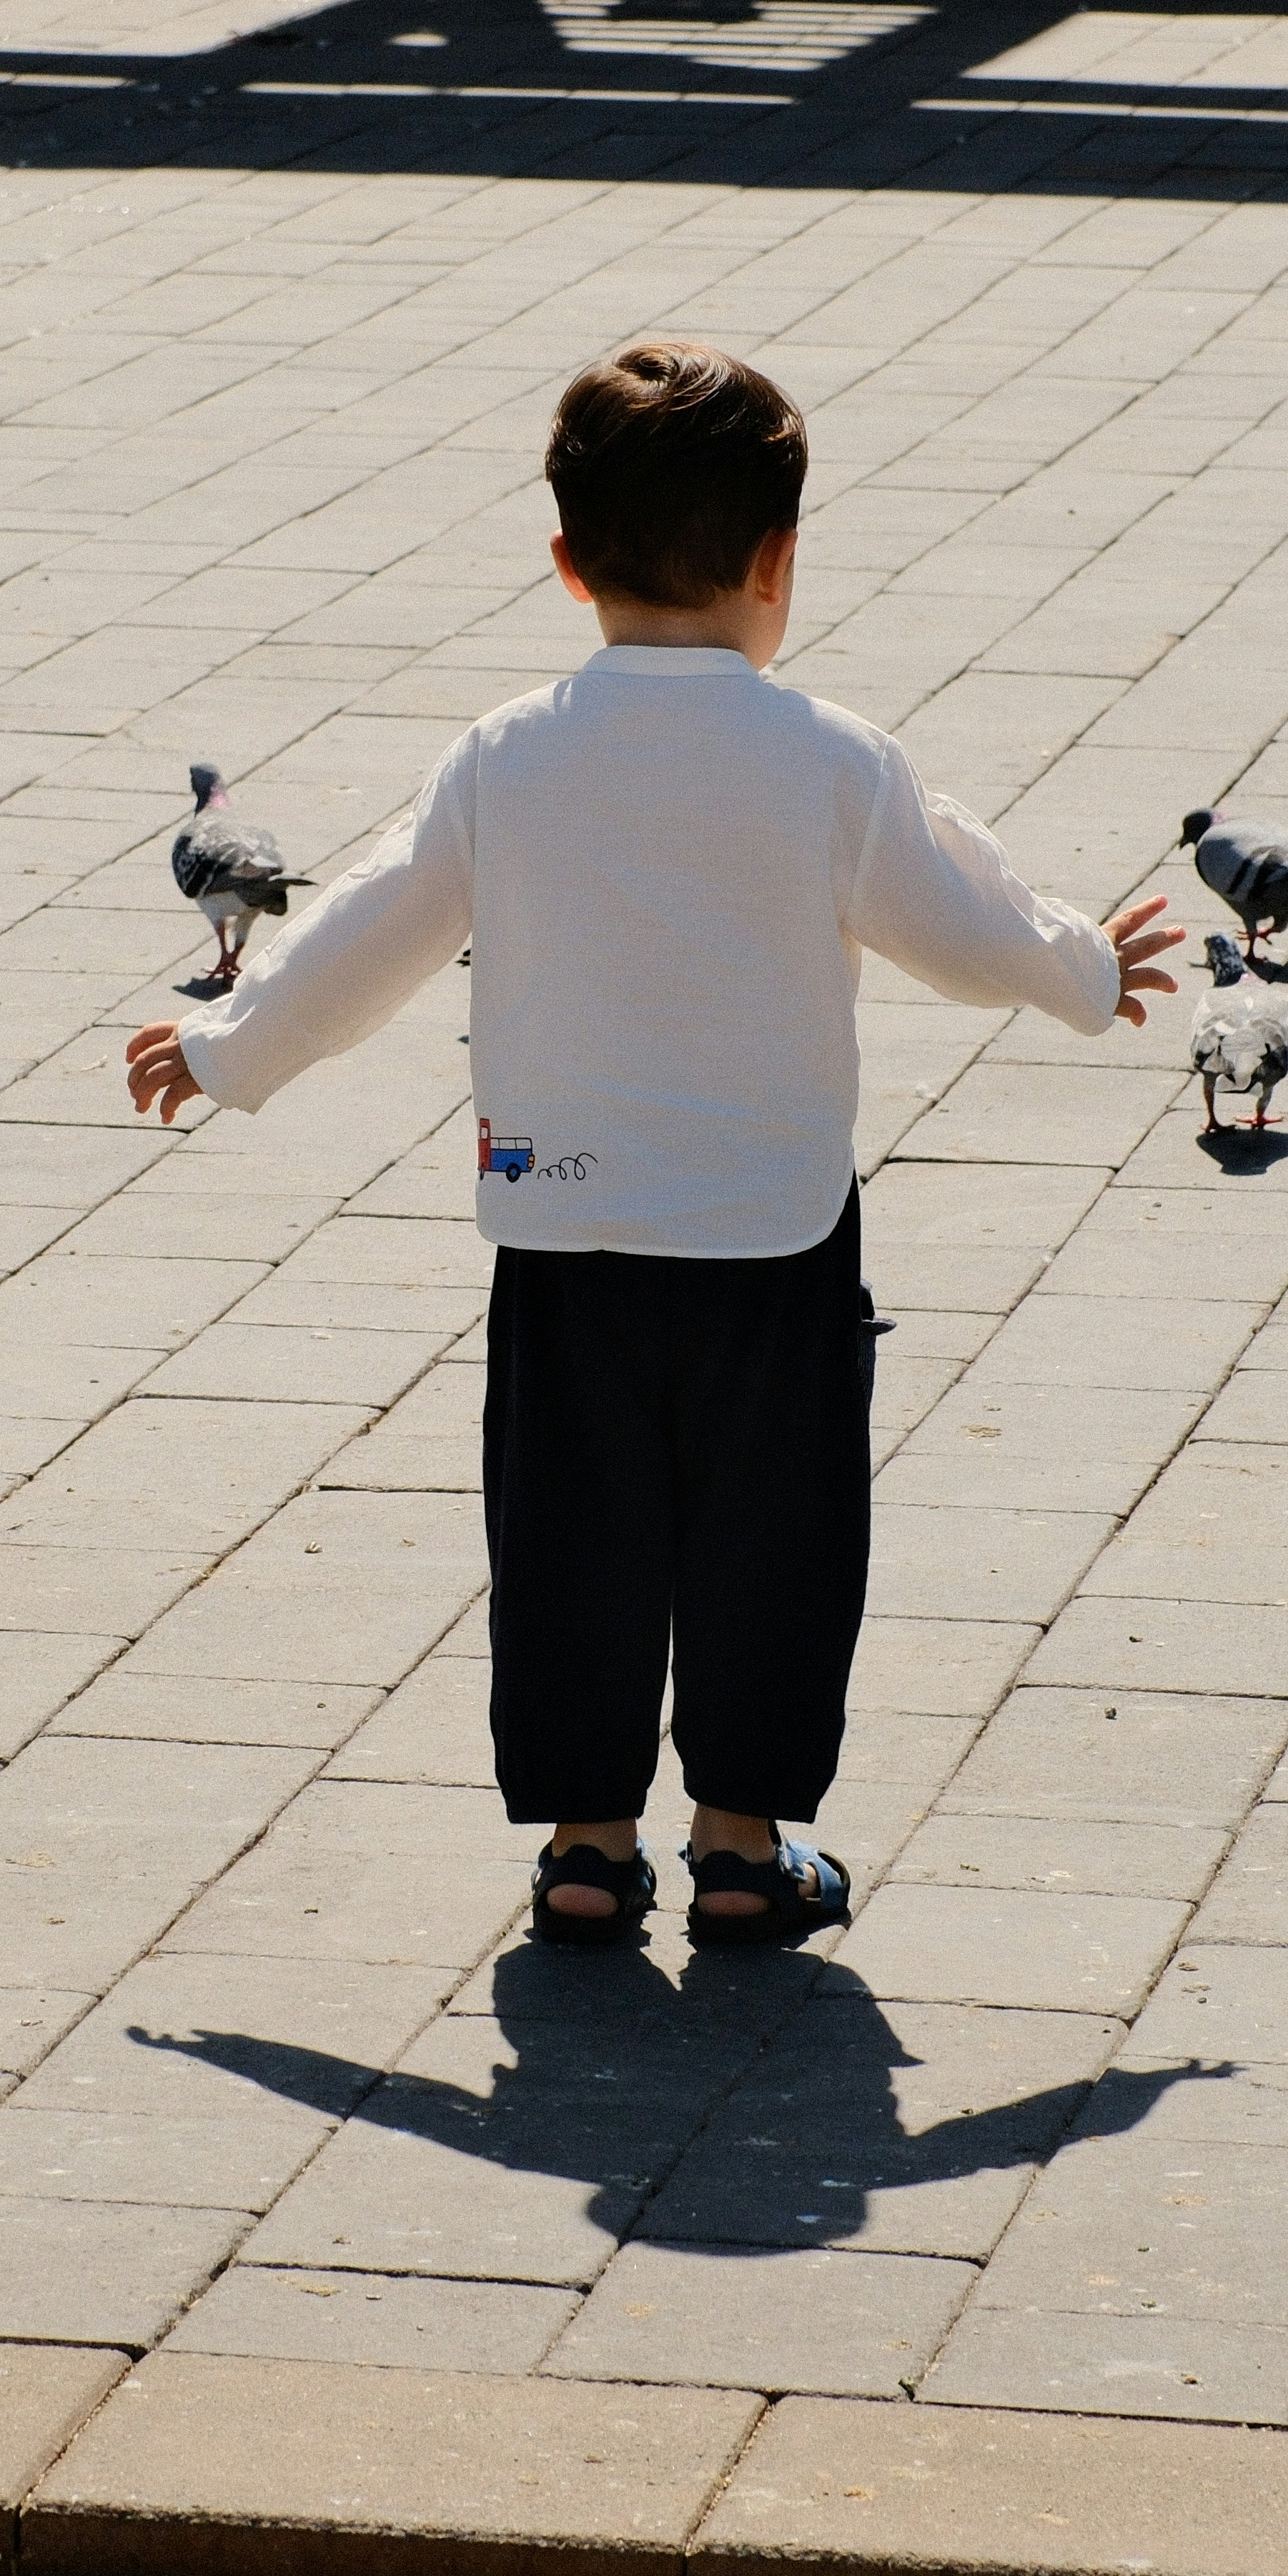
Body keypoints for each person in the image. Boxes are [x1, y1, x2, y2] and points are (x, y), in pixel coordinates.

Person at [119, 342, 1184, 1950]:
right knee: (777, 1537)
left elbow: (370, 928)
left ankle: (585, 1844)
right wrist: (1087, 969)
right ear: (778, 562)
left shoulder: (506, 754)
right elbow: (961, 923)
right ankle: (745, 1843)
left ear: (565, 563)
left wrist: (225, 1044)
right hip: (771, 1234)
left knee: (568, 1540)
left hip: (563, 1225)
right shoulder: (827, 755)